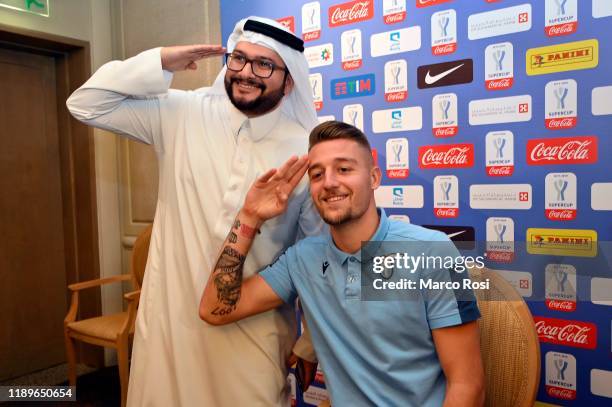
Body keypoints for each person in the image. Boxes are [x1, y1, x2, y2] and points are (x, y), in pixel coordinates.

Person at [66, 16, 324, 407]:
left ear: (289, 81)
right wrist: (162, 61)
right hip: (171, 331)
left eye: (264, 64)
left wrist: (311, 340)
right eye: (238, 59)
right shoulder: (182, 114)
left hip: (253, 336)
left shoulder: (306, 149)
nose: (246, 73)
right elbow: (85, 103)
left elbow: (321, 252)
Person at [200, 121, 486, 406]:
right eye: (317, 174)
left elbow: (467, 385)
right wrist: (250, 216)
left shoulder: (434, 251)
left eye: (344, 169)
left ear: (374, 178)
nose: (329, 182)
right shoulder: (303, 259)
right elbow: (214, 309)